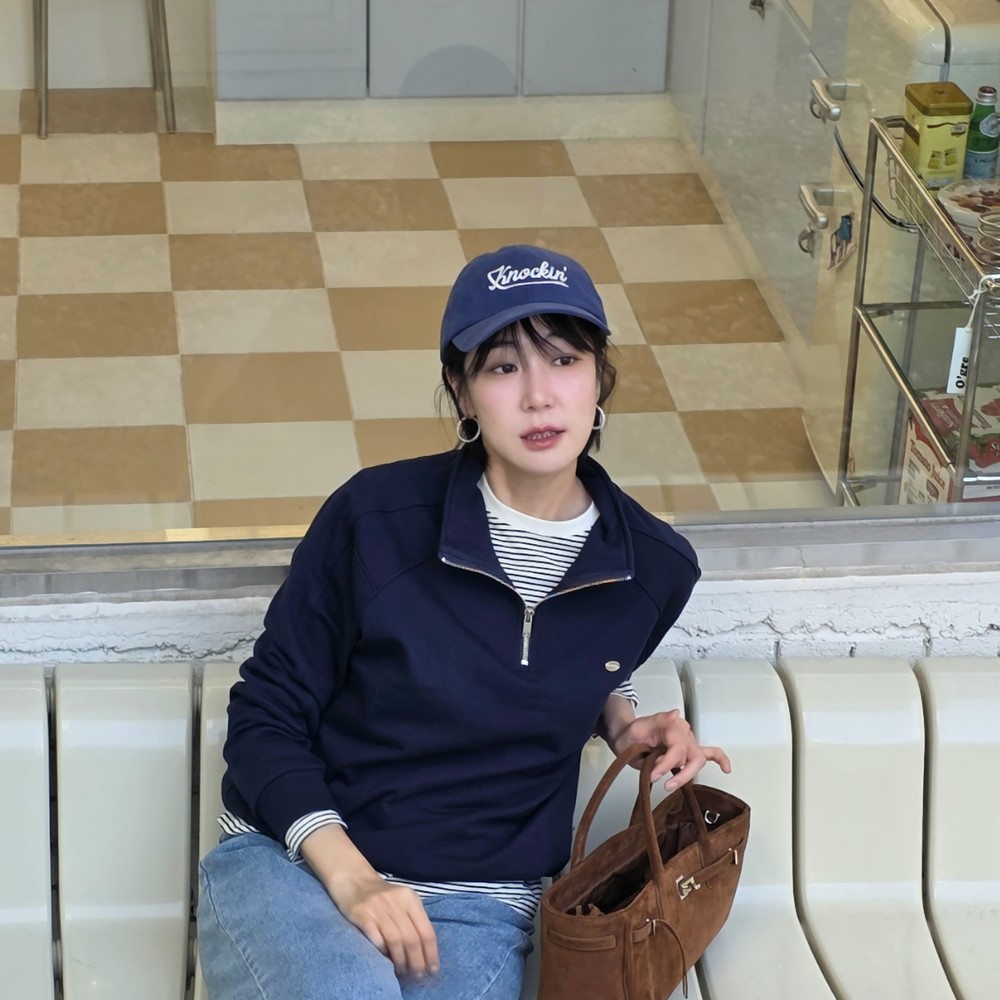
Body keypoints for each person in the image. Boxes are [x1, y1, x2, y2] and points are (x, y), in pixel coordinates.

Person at [197, 244, 731, 1000]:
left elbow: (554, 653)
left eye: (565, 359)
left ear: (599, 378)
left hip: (480, 900)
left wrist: (619, 720)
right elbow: (265, 715)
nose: (539, 396)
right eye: (504, 367)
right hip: (301, 867)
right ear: (463, 391)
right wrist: (352, 878)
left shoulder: (652, 569)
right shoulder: (374, 522)